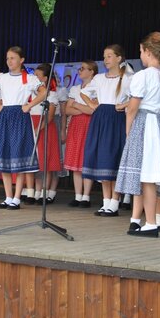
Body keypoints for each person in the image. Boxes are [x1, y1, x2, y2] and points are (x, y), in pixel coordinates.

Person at [115, 31, 160, 238]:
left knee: (147, 176)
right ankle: (148, 221)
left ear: (148, 52)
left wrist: (128, 131)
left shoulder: (143, 75)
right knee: (148, 177)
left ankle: (150, 223)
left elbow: (132, 108)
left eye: (141, 51)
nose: (140, 55)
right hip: (158, 124)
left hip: (145, 124)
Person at [0, 46, 46, 210]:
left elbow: (43, 92)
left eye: (13, 58)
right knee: (4, 154)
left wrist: (29, 105)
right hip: (5, 116)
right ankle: (8, 196)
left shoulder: (29, 78)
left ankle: (17, 198)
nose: (9, 61)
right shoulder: (2, 78)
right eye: (7, 58)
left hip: (20, 116)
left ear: (21, 60)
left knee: (19, 156)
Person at [81, 44, 128, 216]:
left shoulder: (127, 78)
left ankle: (115, 202)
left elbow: (137, 98)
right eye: (105, 56)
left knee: (112, 157)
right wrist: (94, 105)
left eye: (109, 56)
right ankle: (106, 201)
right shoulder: (99, 78)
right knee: (102, 158)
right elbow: (84, 93)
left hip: (116, 119)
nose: (106, 59)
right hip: (101, 118)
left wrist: (122, 105)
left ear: (118, 58)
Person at [63, 60, 97, 208]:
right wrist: (80, 107)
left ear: (92, 72)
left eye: (83, 68)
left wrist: (76, 105)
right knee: (75, 161)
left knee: (85, 161)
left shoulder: (96, 88)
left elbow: (92, 110)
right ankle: (77, 195)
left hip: (89, 126)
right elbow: (67, 110)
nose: (80, 71)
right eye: (80, 68)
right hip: (75, 126)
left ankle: (86, 196)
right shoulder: (75, 89)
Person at [29, 63, 62, 203]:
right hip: (31, 125)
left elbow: (49, 117)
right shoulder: (31, 94)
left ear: (45, 78)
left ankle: (44, 192)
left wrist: (39, 128)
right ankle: (36, 192)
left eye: (37, 75)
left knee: (45, 162)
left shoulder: (52, 95)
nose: (34, 77)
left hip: (45, 128)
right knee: (35, 163)